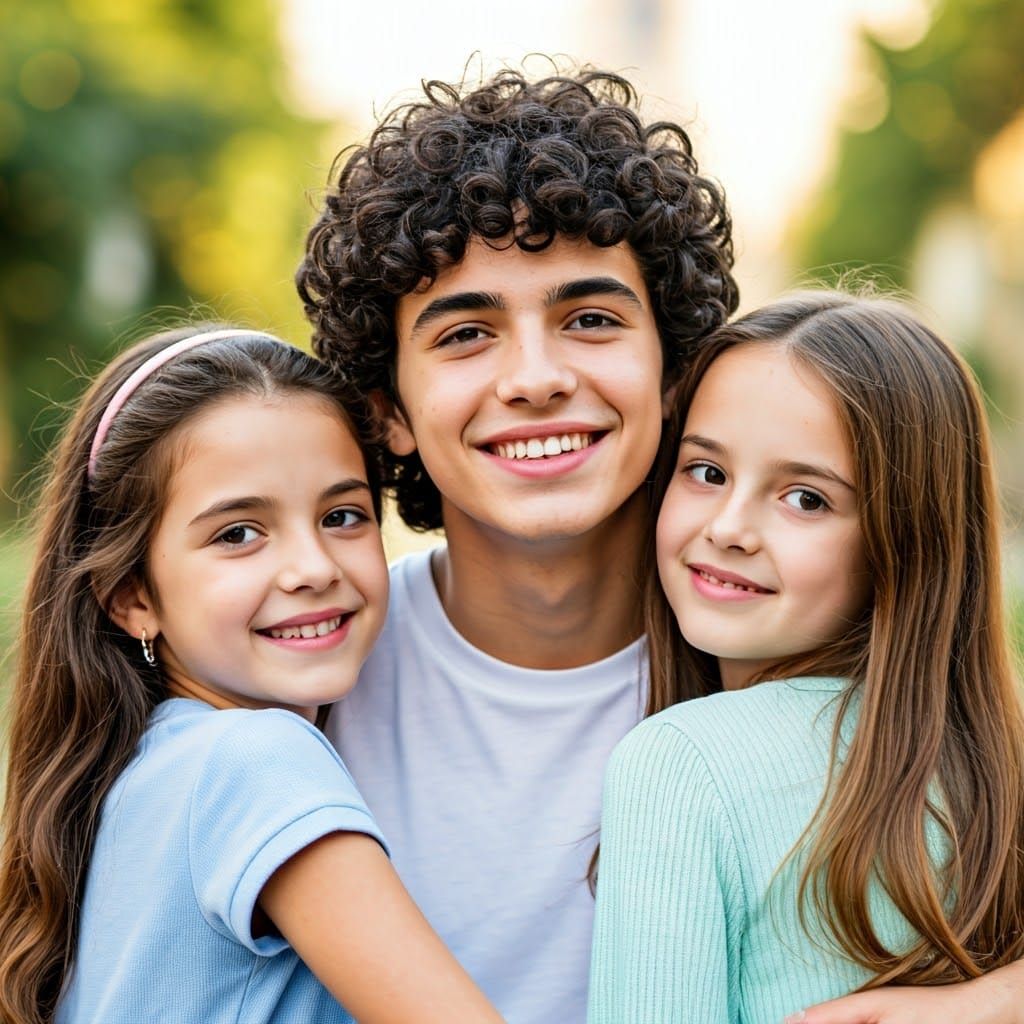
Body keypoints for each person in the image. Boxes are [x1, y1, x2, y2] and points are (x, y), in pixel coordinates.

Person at [298, 65, 1024, 1023]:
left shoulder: (811, 659)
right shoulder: (309, 679)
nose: (536, 377)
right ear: (388, 408)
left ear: (676, 372)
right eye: (467, 333)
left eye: (590, 319)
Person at [0, 327, 504, 1024]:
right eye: (238, 533)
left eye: (343, 516)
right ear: (132, 597)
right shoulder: (256, 760)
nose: (314, 567)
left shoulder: (132, 781)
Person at [587, 292, 1024, 1023]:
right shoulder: (997, 765)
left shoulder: (678, 765)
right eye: (707, 472)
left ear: (904, 542)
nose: (730, 528)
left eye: (806, 499)